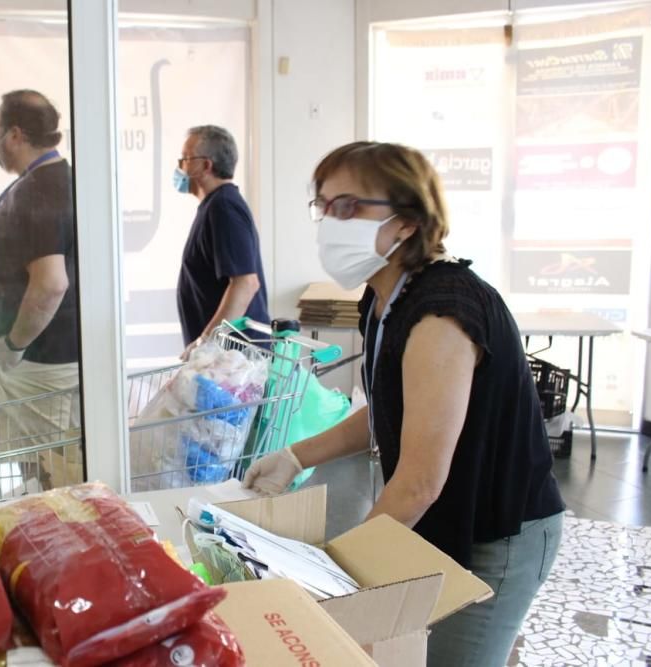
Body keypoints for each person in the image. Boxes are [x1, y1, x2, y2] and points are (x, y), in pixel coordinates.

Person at [243, 141, 565, 667]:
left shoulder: (442, 313)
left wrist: (337, 570)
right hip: (449, 519)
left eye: (347, 206)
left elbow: (419, 483)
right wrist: (297, 456)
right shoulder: (387, 298)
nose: (329, 221)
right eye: (322, 205)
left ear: (407, 221)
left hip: (497, 533)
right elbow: (391, 409)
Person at [0, 89, 81, 495]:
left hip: (34, 362)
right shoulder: (58, 179)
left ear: (15, 134)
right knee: (55, 471)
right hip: (45, 359)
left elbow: (50, 284)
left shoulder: (39, 189)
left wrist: (13, 345)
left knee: (46, 478)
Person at [174, 125, 269, 357]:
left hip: (236, 362)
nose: (179, 167)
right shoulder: (214, 207)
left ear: (206, 165)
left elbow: (246, 283)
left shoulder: (224, 207)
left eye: (185, 159)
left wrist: (206, 343)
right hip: (225, 359)